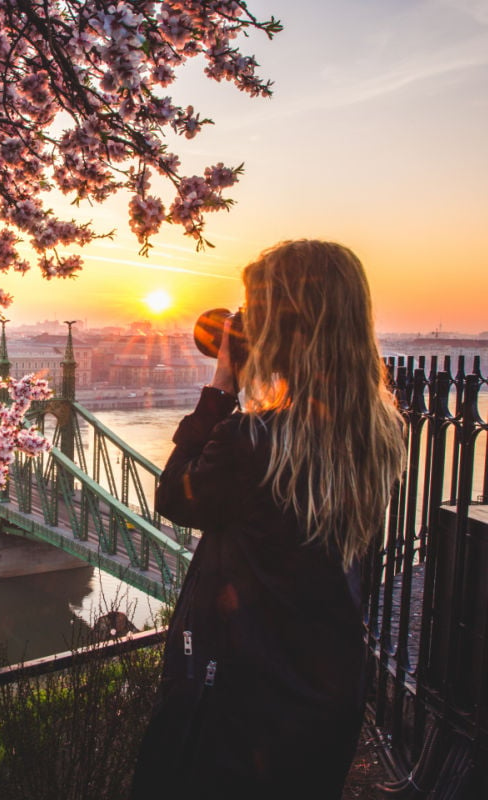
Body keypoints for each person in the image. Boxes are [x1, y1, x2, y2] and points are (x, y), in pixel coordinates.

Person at [129, 240, 406, 799]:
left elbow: (174, 498)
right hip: (323, 705)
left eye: (253, 310)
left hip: (233, 711)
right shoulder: (378, 434)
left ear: (286, 326)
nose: (243, 323)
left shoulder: (251, 440)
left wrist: (221, 385)